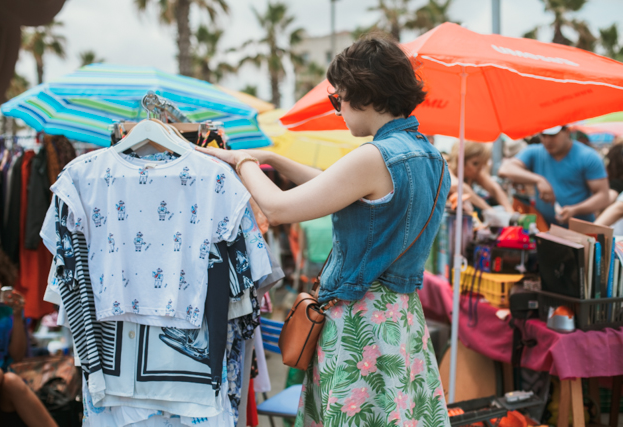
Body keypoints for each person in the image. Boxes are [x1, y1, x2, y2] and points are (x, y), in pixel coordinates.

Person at [196, 34, 451, 427]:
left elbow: (278, 208)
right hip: (400, 318)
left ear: (363, 93)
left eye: (339, 98)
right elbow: (338, 188)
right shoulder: (430, 156)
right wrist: (273, 159)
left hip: (360, 318)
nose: (339, 110)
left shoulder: (374, 157)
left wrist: (243, 161)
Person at [0, 243, 57, 427]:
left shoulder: (7, 310)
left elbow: (18, 356)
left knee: (10, 379)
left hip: (5, 392)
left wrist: (17, 317)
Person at [498, 125, 609, 226]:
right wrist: (539, 180)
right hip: (543, 228)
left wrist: (575, 210)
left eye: (552, 135)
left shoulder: (587, 156)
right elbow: (505, 169)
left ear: (567, 131)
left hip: (579, 231)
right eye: (543, 135)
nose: (547, 140)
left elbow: (603, 197)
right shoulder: (535, 152)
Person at [449, 140, 513, 213]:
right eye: (475, 163)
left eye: (482, 164)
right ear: (460, 160)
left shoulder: (475, 173)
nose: (479, 169)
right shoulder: (446, 170)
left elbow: (495, 190)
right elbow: (457, 186)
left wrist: (510, 212)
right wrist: (490, 210)